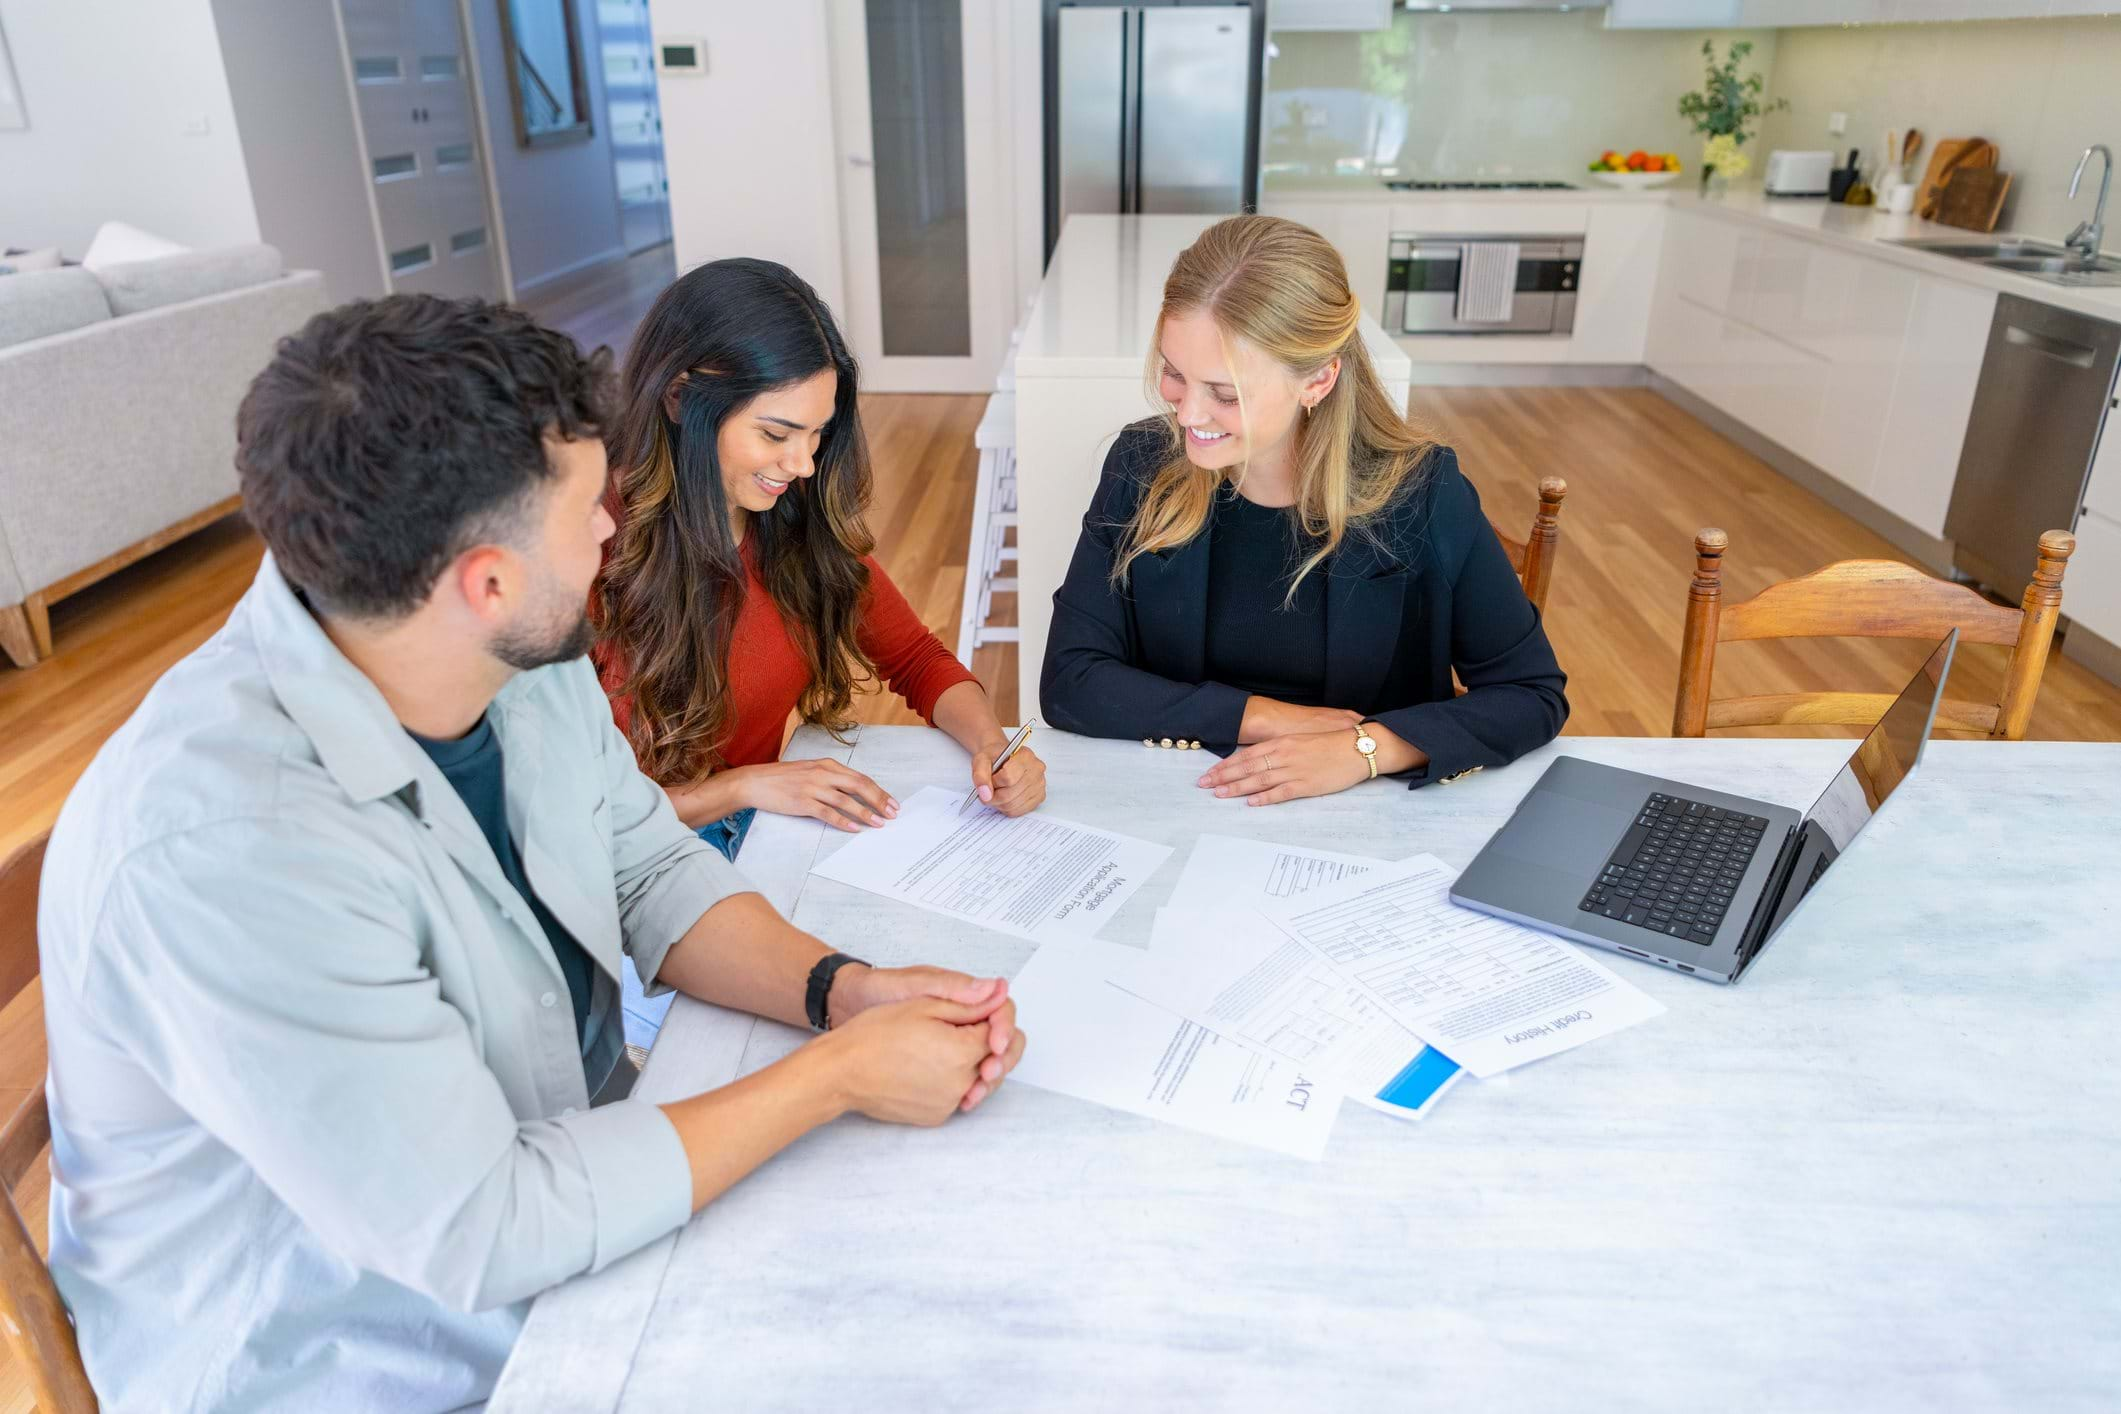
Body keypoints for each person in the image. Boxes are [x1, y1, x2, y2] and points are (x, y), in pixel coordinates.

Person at [37, 295, 1025, 1412]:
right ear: (487, 579)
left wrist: (843, 991)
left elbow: (647, 868)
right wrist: (835, 1076)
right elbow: (483, 1230)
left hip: (560, 1175)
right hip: (351, 1347)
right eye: (586, 510)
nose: (614, 529)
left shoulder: (512, 649)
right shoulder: (227, 851)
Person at [1040, 214, 1567, 801]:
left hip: (1368, 822)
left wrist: (1365, 749)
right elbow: (1070, 680)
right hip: (1189, 800)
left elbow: (1531, 693)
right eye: (1173, 374)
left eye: (1224, 393)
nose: (1187, 415)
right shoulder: (1143, 463)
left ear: (1317, 380)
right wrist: (1262, 717)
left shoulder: (1422, 491)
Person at [595, 257, 1045, 867]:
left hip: (754, 837)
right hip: (634, 871)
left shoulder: (788, 513)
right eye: (776, 435)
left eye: (817, 434)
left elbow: (916, 658)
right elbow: (582, 813)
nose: (803, 464)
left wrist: (993, 746)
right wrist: (743, 787)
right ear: (680, 400)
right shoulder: (588, 546)